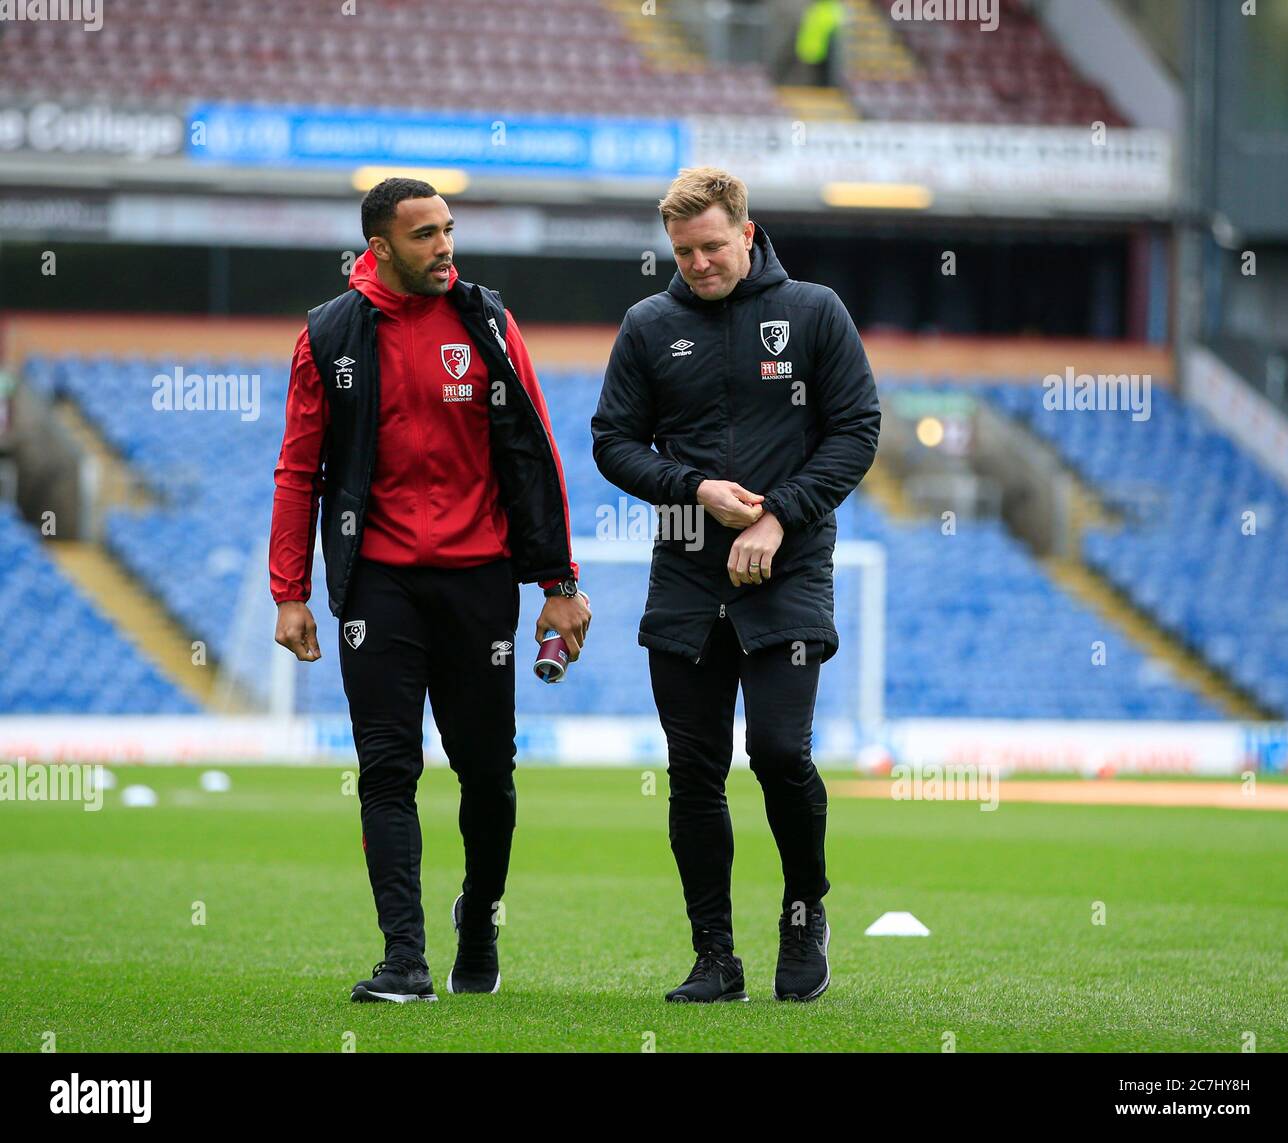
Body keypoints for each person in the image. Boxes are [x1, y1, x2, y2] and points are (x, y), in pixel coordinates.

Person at [270, 178, 590, 1003]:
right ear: (378, 247)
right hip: (378, 583)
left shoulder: (487, 321)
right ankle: (403, 959)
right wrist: (289, 591)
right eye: (424, 235)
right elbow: (298, 467)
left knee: (487, 772)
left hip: (480, 580)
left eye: (448, 230)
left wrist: (560, 581)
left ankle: (478, 915)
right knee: (386, 768)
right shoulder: (329, 335)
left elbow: (535, 448)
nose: (444, 246)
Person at [591, 167, 880, 1003]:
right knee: (694, 770)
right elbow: (613, 440)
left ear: (747, 234)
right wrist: (694, 489)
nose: (697, 263)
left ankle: (803, 911)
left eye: (712, 246)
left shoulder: (815, 311)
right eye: (682, 251)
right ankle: (714, 955)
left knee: (780, 752)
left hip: (786, 568)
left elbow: (858, 428)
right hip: (684, 572)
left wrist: (778, 515)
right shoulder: (648, 325)